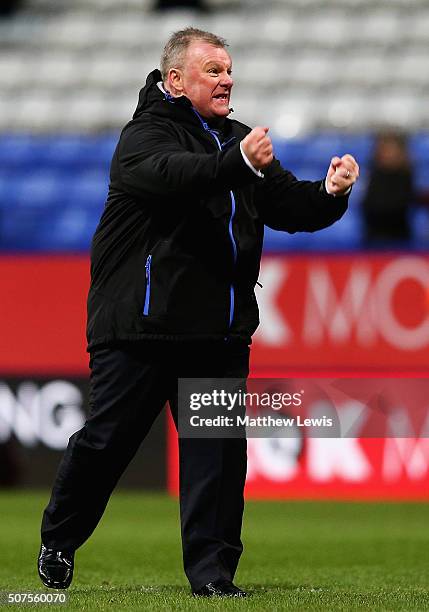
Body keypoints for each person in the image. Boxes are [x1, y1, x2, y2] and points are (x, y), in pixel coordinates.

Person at [38, 27, 359, 598]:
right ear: (175, 81)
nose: (227, 78)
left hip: (216, 335)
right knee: (107, 445)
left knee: (216, 461)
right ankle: (58, 539)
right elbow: (175, 178)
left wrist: (330, 194)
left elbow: (289, 206)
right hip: (142, 329)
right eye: (212, 69)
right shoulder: (143, 136)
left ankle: (212, 577)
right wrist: (238, 162)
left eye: (229, 69)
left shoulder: (238, 141)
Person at [362, 132, 414, 246]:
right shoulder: (374, 174)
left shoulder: (405, 175)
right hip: (374, 236)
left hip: (400, 236)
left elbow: (402, 206)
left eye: (391, 150)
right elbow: (368, 205)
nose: (388, 154)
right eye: (384, 150)